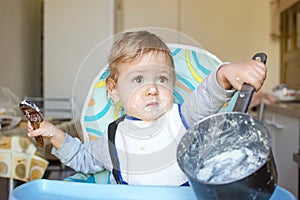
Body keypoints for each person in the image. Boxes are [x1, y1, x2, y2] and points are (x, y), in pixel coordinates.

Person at [27, 31, 267, 186]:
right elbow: (84, 159)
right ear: (113, 89)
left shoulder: (183, 118)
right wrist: (54, 135)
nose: (152, 89)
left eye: (162, 79)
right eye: (138, 80)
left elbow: (207, 94)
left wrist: (225, 74)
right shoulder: (113, 137)